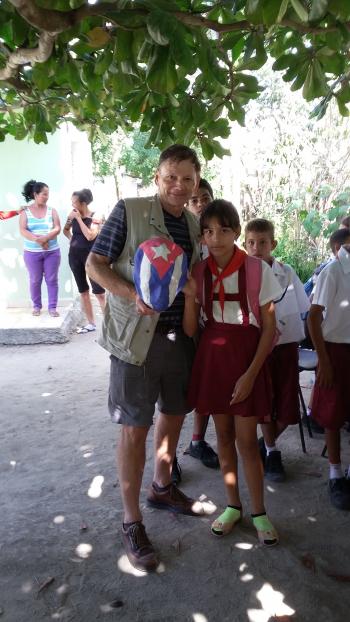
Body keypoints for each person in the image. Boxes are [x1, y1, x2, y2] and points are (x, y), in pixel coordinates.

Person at [86, 145, 206, 572]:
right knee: (135, 428)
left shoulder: (194, 225)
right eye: (171, 176)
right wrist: (129, 294)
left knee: (173, 415)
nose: (179, 185)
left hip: (179, 340)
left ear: (196, 182)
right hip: (135, 339)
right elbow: (95, 263)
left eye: (187, 178)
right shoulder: (130, 210)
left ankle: (162, 486)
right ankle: (131, 520)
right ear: (157, 177)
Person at [185, 200, 282, 545]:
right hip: (213, 360)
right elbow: (190, 329)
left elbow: (268, 329)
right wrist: (189, 297)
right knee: (223, 437)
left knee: (246, 442)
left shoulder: (257, 269)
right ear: (202, 236)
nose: (216, 238)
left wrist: (251, 375)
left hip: (246, 359)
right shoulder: (198, 272)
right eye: (208, 231)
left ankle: (259, 512)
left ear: (236, 232)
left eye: (224, 230)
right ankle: (232, 506)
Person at [244, 218, 310, 481]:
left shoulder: (287, 271)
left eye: (262, 243)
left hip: (286, 346)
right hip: (259, 348)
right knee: (264, 402)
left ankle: (263, 443)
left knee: (287, 405)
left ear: (273, 244)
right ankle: (272, 451)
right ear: (245, 244)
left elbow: (301, 307)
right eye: (251, 243)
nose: (256, 248)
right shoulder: (243, 274)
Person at [172, 178, 219, 478]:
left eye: (205, 197)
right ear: (187, 204)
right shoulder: (181, 235)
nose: (200, 203)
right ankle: (169, 458)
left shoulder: (219, 235)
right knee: (174, 395)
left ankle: (197, 441)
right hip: (180, 320)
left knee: (207, 386)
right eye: (195, 199)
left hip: (212, 325)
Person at [307, 231, 350, 510]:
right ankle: (335, 473)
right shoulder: (334, 270)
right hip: (335, 350)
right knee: (333, 417)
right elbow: (313, 316)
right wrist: (323, 360)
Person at [64, 189, 105, 333]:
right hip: (75, 257)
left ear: (83, 203)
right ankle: (91, 323)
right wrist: (72, 241)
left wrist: (79, 219)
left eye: (74, 202)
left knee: (99, 292)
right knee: (83, 291)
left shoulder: (96, 216)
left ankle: (109, 324)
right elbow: (66, 230)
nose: (72, 204)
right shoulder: (72, 216)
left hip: (92, 258)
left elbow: (90, 236)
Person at [19, 180, 61, 316]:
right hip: (32, 253)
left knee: (52, 279)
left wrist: (46, 238)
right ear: (35, 194)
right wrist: (38, 240)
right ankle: (37, 306)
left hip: (52, 252)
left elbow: (57, 228)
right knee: (35, 280)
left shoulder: (52, 211)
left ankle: (52, 307)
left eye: (47, 194)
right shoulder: (25, 211)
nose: (47, 197)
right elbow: (23, 230)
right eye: (44, 194)